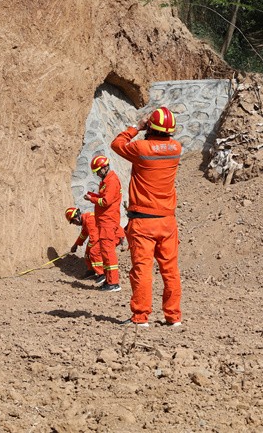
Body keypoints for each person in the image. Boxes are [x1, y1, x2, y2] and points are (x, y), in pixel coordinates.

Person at [111, 107, 182, 327]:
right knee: (170, 271)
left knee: (142, 270)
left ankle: (141, 317)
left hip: (143, 222)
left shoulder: (141, 149)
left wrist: (137, 126)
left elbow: (117, 144)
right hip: (167, 221)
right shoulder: (176, 148)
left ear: (150, 127)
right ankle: (173, 317)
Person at [84, 155, 123, 292]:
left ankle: (113, 283)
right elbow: (103, 198)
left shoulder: (111, 181)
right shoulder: (107, 181)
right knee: (105, 253)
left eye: (98, 171)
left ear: (104, 168)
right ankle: (109, 280)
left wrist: (92, 199)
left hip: (108, 221)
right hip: (105, 221)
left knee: (108, 252)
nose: (97, 174)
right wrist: (93, 196)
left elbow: (105, 201)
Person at [65, 207, 105, 280]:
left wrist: (89, 249)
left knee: (93, 252)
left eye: (73, 222)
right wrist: (76, 245)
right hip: (102, 236)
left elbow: (94, 239)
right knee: (87, 253)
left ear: (76, 218)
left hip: (109, 236)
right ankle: (91, 270)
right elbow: (83, 234)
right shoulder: (85, 220)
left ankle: (102, 274)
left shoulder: (89, 220)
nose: (74, 224)